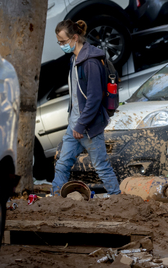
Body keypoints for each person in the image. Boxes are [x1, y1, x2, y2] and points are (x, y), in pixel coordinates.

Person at [51, 19, 121, 196]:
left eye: (63, 42)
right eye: (59, 42)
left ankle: (117, 198)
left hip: (88, 126)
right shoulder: (75, 58)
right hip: (75, 124)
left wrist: (81, 125)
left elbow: (94, 98)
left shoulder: (90, 62)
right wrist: (75, 124)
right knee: (62, 163)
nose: (61, 46)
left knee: (101, 166)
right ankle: (55, 198)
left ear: (74, 37)